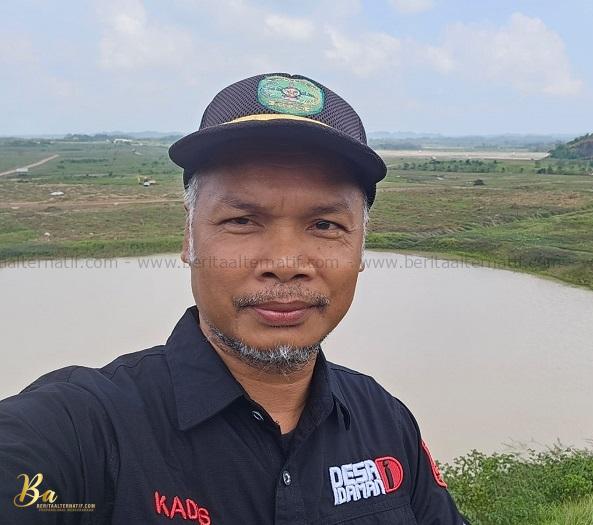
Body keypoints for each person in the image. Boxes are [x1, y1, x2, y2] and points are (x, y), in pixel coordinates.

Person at [0, 73, 469, 524]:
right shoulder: (80, 429)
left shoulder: (385, 421)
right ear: (188, 238)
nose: (285, 263)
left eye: (325, 225)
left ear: (361, 249)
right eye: (242, 221)